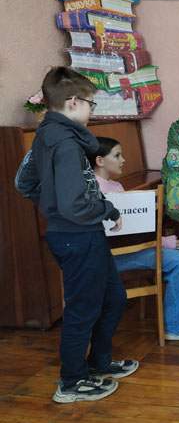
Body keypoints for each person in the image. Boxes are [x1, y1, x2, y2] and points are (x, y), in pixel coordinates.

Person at [14, 67, 137, 403]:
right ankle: (71, 382)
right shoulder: (64, 143)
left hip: (81, 233)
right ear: (72, 102)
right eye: (90, 104)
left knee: (114, 299)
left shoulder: (47, 135)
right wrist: (106, 209)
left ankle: (98, 362)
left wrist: (53, 205)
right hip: (77, 236)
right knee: (83, 310)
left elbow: (24, 183)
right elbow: (72, 204)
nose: (91, 111)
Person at [87, 136, 179, 341]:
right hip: (112, 256)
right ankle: (176, 327)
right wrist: (164, 243)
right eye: (117, 156)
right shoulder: (96, 191)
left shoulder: (115, 185)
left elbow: (134, 229)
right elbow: (120, 236)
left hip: (129, 250)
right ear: (99, 160)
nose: (123, 160)